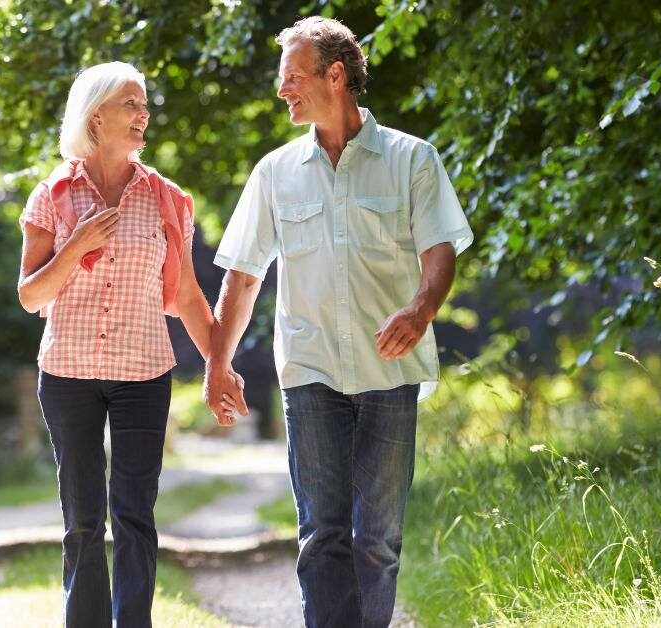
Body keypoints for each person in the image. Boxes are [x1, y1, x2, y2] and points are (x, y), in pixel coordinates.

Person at [203, 17, 474, 628]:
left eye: (293, 77)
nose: (282, 91)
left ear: (335, 74)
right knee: (320, 536)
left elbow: (440, 251)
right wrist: (217, 363)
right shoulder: (275, 172)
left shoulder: (412, 159)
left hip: (390, 370)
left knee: (376, 541)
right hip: (311, 369)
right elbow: (243, 276)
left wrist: (422, 308)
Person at [17, 61, 240, 627]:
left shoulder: (167, 200)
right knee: (84, 519)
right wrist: (75, 246)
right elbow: (28, 293)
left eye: (145, 105)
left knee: (136, 514)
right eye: (131, 105)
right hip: (67, 374)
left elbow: (188, 295)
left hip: (144, 372)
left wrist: (220, 364)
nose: (144, 115)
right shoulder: (54, 195)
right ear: (96, 115)